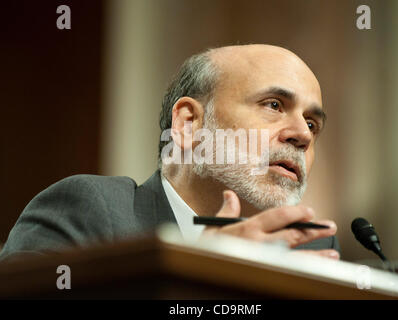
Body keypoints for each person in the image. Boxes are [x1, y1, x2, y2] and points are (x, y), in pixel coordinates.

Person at [0, 44, 340, 262]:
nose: (301, 135)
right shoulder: (91, 213)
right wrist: (200, 274)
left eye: (312, 124)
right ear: (189, 123)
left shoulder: (313, 250)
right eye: (274, 105)